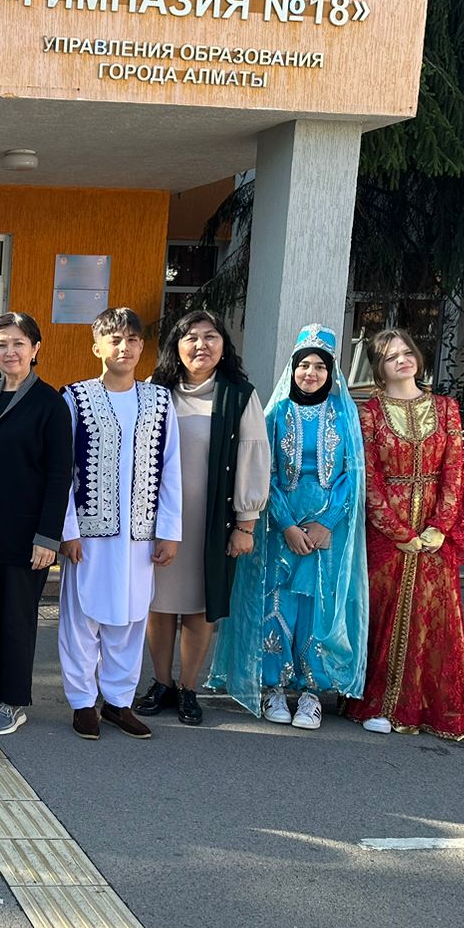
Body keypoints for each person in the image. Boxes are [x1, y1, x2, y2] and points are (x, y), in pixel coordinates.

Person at [205, 323, 368, 728]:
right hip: (280, 527)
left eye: (319, 366)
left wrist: (326, 523)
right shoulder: (276, 413)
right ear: (292, 369)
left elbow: (353, 475)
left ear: (331, 372)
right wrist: (288, 525)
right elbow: (265, 472)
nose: (310, 373)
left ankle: (311, 692)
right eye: (303, 365)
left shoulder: (344, 415)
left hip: (327, 529)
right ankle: (274, 686)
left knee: (318, 604)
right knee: (276, 601)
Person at [138, 311, 270, 726]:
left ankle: (188, 687)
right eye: (191, 337)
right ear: (176, 346)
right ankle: (161, 682)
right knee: (159, 604)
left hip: (212, 521)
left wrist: (245, 524)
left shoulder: (239, 395)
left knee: (200, 605)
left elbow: (253, 457)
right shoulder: (155, 391)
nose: (201, 345)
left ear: (224, 345)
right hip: (158, 521)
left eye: (210, 336)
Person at [58, 307, 182, 740]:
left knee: (130, 620)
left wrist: (169, 531)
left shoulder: (159, 400)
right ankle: (81, 702)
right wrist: (68, 530)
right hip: (89, 534)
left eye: (131, 339)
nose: (123, 347)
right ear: (97, 348)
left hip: (140, 535)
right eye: (114, 340)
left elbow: (170, 468)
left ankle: (118, 701)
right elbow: (62, 470)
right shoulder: (75, 398)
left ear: (142, 346)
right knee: (82, 619)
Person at [346, 328, 464, 739]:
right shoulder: (368, 413)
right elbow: (368, 476)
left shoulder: (446, 408)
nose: (402, 360)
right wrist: (396, 529)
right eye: (390, 356)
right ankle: (382, 704)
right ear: (379, 367)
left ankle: (428, 709)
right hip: (388, 531)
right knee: (385, 615)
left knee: (432, 618)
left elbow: (454, 471)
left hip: (435, 530)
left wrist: (440, 526)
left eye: (406, 352)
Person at [0, 311, 73, 736]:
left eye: (18, 344)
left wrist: (48, 536)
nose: (10, 351)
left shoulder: (50, 404)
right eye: (1, 344)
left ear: (35, 349)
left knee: (16, 618)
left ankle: (14, 700)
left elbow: (60, 475)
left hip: (27, 534)